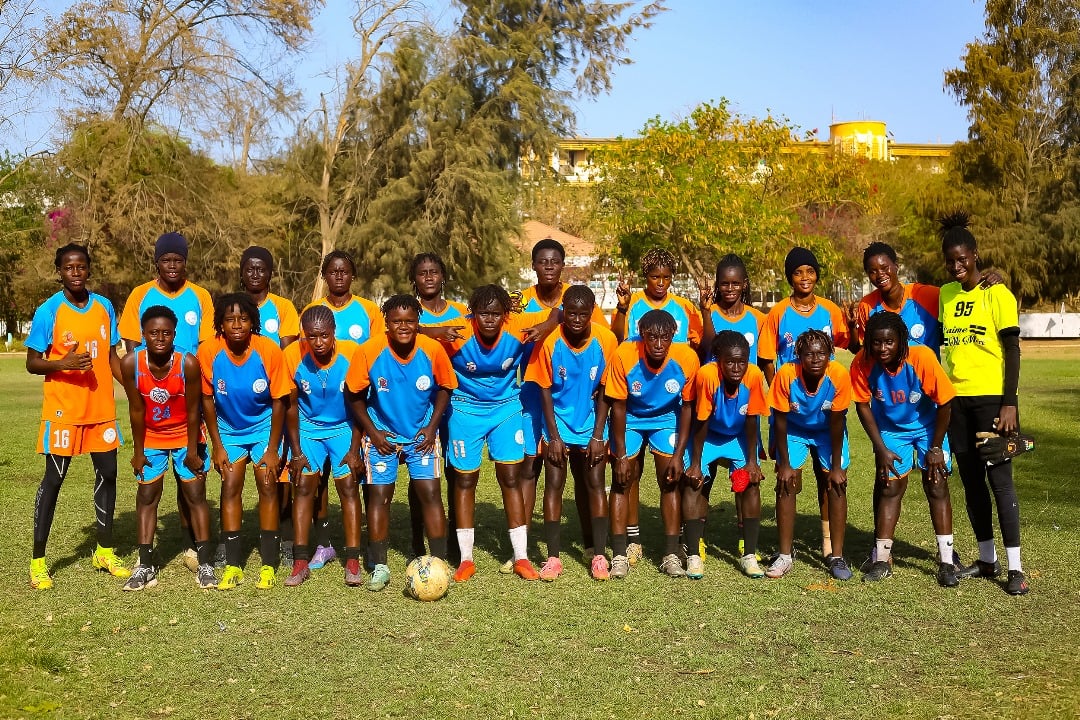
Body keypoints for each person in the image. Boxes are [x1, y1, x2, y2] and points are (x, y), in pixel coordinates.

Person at [26, 244, 129, 589]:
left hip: (100, 409)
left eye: (81, 266)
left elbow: (112, 357)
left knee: (109, 475)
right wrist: (62, 364)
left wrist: (131, 388)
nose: (75, 272)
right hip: (64, 411)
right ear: (59, 271)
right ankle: (38, 561)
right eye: (69, 267)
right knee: (54, 480)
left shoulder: (104, 307)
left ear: (88, 269)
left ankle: (104, 550)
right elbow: (32, 362)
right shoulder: (49, 310)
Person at [438, 284, 555, 582]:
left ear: (505, 315)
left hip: (506, 409)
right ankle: (466, 560)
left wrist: (544, 325)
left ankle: (522, 557)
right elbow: (415, 327)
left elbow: (561, 311)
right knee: (465, 480)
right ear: (472, 314)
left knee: (511, 478)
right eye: (483, 314)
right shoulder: (460, 331)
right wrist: (437, 334)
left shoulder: (516, 325)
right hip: (465, 411)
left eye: (495, 314)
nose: (489, 320)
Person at [938, 212, 1029, 595]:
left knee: (1000, 481)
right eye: (951, 261)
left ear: (975, 255)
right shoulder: (945, 294)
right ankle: (987, 559)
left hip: (993, 400)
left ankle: (1016, 568)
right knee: (972, 483)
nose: (957, 267)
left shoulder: (998, 293)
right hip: (957, 401)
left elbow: (1012, 349)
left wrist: (1010, 403)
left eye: (963, 259)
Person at [118, 232, 215, 571]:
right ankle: (150, 560)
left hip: (188, 396)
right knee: (152, 486)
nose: (173, 266)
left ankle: (194, 549)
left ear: (185, 262)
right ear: (156, 262)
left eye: (178, 260)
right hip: (154, 400)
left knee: (190, 478)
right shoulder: (140, 295)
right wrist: (144, 386)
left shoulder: (200, 296)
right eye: (166, 260)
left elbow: (204, 349)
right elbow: (130, 346)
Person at [346, 295, 457, 591]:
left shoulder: (432, 349)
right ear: (386, 323)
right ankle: (380, 566)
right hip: (383, 434)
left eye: (410, 321)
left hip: (421, 433)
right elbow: (353, 395)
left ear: (418, 323)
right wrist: (372, 432)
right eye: (397, 321)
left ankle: (439, 562)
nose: (403, 327)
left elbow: (446, 388)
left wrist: (432, 428)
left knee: (430, 493)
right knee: (379, 496)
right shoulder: (369, 351)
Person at [518, 239, 608, 570]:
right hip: (542, 397)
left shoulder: (588, 316)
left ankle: (595, 548)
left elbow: (606, 387)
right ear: (533, 265)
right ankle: (530, 549)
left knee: (590, 480)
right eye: (542, 261)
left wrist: (599, 433)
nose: (549, 267)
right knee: (534, 469)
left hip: (583, 403)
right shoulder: (524, 304)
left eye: (555, 261)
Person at [851, 311, 959, 587]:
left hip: (927, 427)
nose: (882, 349)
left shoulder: (921, 358)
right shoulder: (862, 363)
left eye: (889, 342)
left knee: (936, 484)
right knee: (889, 487)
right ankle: (882, 560)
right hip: (890, 430)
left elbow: (946, 402)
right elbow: (862, 405)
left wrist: (935, 447)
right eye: (876, 342)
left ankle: (947, 561)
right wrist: (880, 448)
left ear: (901, 341)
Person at [759, 246, 850, 562]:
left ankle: (828, 542)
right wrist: (782, 391)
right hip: (791, 405)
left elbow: (845, 343)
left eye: (810, 271)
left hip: (824, 405)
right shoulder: (778, 313)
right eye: (798, 272)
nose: (805, 277)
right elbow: (766, 357)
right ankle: (786, 548)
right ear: (789, 278)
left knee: (828, 477)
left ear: (817, 276)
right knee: (788, 476)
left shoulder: (830, 310)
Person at [611, 249, 702, 565]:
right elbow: (618, 341)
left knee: (670, 477)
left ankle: (673, 547)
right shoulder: (633, 306)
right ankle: (631, 540)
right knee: (628, 474)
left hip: (667, 404)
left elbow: (694, 348)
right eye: (654, 277)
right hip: (635, 404)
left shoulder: (683, 309)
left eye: (666, 277)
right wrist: (622, 309)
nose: (660, 283)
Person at [198, 293, 290, 590]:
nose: (237, 324)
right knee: (230, 485)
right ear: (220, 324)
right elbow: (207, 400)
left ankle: (268, 565)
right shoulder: (209, 351)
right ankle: (234, 565)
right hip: (229, 429)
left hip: (264, 427)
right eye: (229, 319)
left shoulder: (268, 350)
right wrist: (218, 445)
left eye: (243, 318)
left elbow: (279, 402)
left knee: (267, 484)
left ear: (253, 322)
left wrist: (274, 449)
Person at [300, 250, 385, 571]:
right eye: (332, 272)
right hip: (319, 412)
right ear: (324, 275)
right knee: (318, 482)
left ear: (353, 275)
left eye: (344, 271)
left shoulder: (368, 311)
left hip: (359, 408)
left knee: (357, 475)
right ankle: (323, 544)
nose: (338, 277)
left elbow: (378, 355)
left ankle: (359, 545)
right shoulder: (311, 311)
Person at [281, 306, 364, 587]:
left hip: (343, 427)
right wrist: (296, 451)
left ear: (334, 334)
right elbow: (290, 407)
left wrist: (355, 448)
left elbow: (360, 404)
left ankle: (353, 560)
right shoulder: (293, 355)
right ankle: (300, 561)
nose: (318, 343)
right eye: (312, 336)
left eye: (324, 336)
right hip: (308, 428)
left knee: (349, 487)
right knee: (304, 487)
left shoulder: (352, 354)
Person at [766, 329, 852, 581]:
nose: (815, 359)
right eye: (809, 354)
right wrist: (784, 463)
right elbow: (779, 420)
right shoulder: (786, 374)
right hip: (793, 430)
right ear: (798, 355)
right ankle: (784, 555)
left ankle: (836, 556)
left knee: (836, 484)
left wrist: (836, 467)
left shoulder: (838, 375)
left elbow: (838, 422)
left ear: (830, 355)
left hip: (827, 431)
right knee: (786, 483)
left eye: (821, 353)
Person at [683, 331, 769, 579]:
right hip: (708, 435)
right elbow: (701, 422)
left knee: (750, 483)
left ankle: (749, 554)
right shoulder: (707, 375)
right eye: (729, 362)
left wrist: (752, 461)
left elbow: (752, 419)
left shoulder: (753, 375)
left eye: (741, 361)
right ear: (717, 360)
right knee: (693, 484)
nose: (736, 367)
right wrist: (696, 464)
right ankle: (694, 555)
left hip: (738, 435)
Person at [696, 253, 766, 558]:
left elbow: (764, 362)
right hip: (712, 407)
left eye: (735, 283)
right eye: (724, 283)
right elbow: (708, 349)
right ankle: (696, 537)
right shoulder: (709, 314)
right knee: (704, 477)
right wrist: (705, 310)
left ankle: (743, 540)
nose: (729, 288)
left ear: (745, 284)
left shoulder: (758, 319)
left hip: (743, 408)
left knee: (744, 479)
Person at [239, 246, 300, 563]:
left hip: (278, 399)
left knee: (283, 473)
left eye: (261, 268)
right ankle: (240, 537)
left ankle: (286, 538)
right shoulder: (235, 309)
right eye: (249, 268)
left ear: (270, 273)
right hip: (242, 403)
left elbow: (289, 354)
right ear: (242, 273)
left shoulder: (283, 308)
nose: (255, 274)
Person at [410, 252, 467, 561]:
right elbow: (399, 331)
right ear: (414, 279)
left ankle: (457, 539)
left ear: (443, 276)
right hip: (419, 406)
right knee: (423, 475)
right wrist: (431, 332)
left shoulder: (459, 313)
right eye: (422, 273)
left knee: (456, 472)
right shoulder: (408, 314)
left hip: (454, 401)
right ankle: (418, 543)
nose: (429, 277)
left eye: (434, 271)